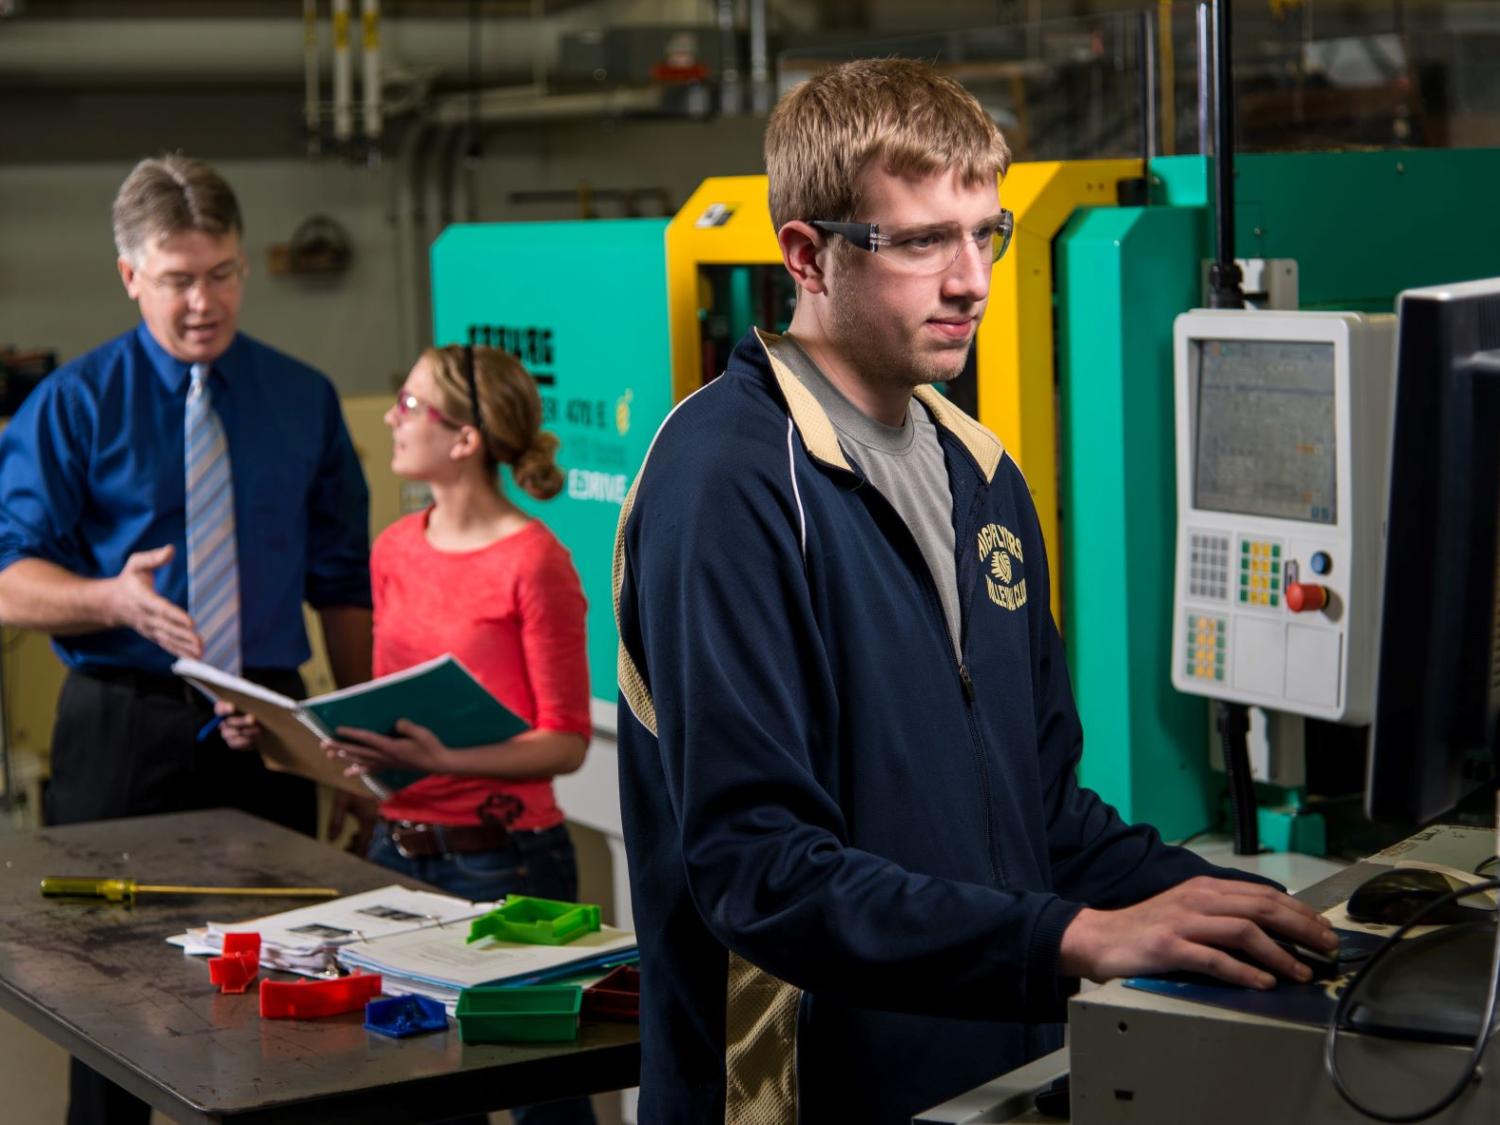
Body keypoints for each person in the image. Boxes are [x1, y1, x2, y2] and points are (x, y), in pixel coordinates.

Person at [611, 58, 1339, 1123]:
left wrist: (1254, 914)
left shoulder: (980, 475)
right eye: (920, 241)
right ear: (807, 255)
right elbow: (760, 875)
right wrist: (1072, 938)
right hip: (804, 1095)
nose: (972, 280)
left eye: (985, 232)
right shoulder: (729, 480)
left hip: (998, 1072)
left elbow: (1044, 816)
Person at [0, 154, 373, 1125]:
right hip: (124, 722)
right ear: (131, 276)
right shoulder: (75, 406)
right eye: (178, 280)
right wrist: (109, 601)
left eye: (222, 274)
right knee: (109, 997)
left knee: (292, 992)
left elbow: (342, 582)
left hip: (274, 717)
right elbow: (9, 583)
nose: (203, 302)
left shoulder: (303, 399)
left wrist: (356, 745)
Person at [322, 344, 595, 1125]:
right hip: (396, 854)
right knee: (421, 1089)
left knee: (540, 1091)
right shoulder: (394, 549)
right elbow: (386, 710)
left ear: (465, 439)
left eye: (408, 406)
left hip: (504, 861)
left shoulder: (535, 562)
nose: (390, 418)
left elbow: (566, 740)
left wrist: (449, 758)